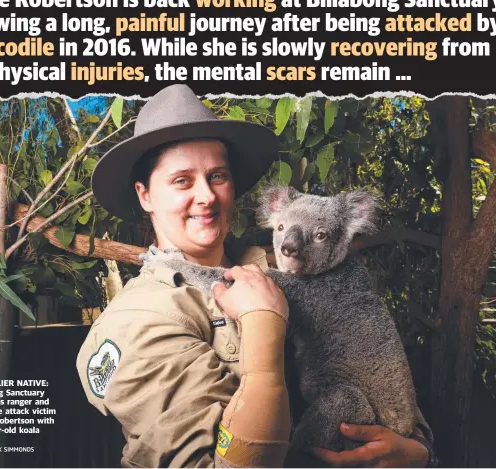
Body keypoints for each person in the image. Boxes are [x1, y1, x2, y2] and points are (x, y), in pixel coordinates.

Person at [76, 84, 436, 468]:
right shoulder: (138, 320)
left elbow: (381, 379)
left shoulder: (286, 266)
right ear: (145, 195)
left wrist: (417, 452)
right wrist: (263, 328)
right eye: (182, 180)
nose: (206, 196)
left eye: (217, 176)